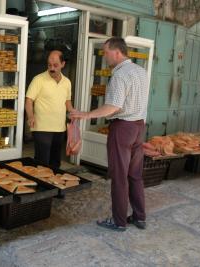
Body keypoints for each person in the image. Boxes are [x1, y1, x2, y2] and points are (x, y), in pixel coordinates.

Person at [71, 37, 149, 232]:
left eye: (105, 52)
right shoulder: (141, 71)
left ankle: (119, 221)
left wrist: (85, 115)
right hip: (139, 127)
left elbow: (112, 107)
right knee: (135, 175)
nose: (104, 56)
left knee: (119, 176)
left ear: (116, 52)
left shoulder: (120, 75)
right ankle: (140, 217)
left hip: (123, 128)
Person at [25, 50, 74, 169]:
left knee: (55, 162)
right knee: (42, 162)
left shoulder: (67, 82)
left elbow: (67, 101)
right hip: (42, 127)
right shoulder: (38, 79)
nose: (52, 68)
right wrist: (31, 116)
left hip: (59, 128)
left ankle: (53, 185)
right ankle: (41, 185)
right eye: (49, 65)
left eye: (55, 65)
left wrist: (73, 114)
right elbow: (29, 100)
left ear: (63, 64)